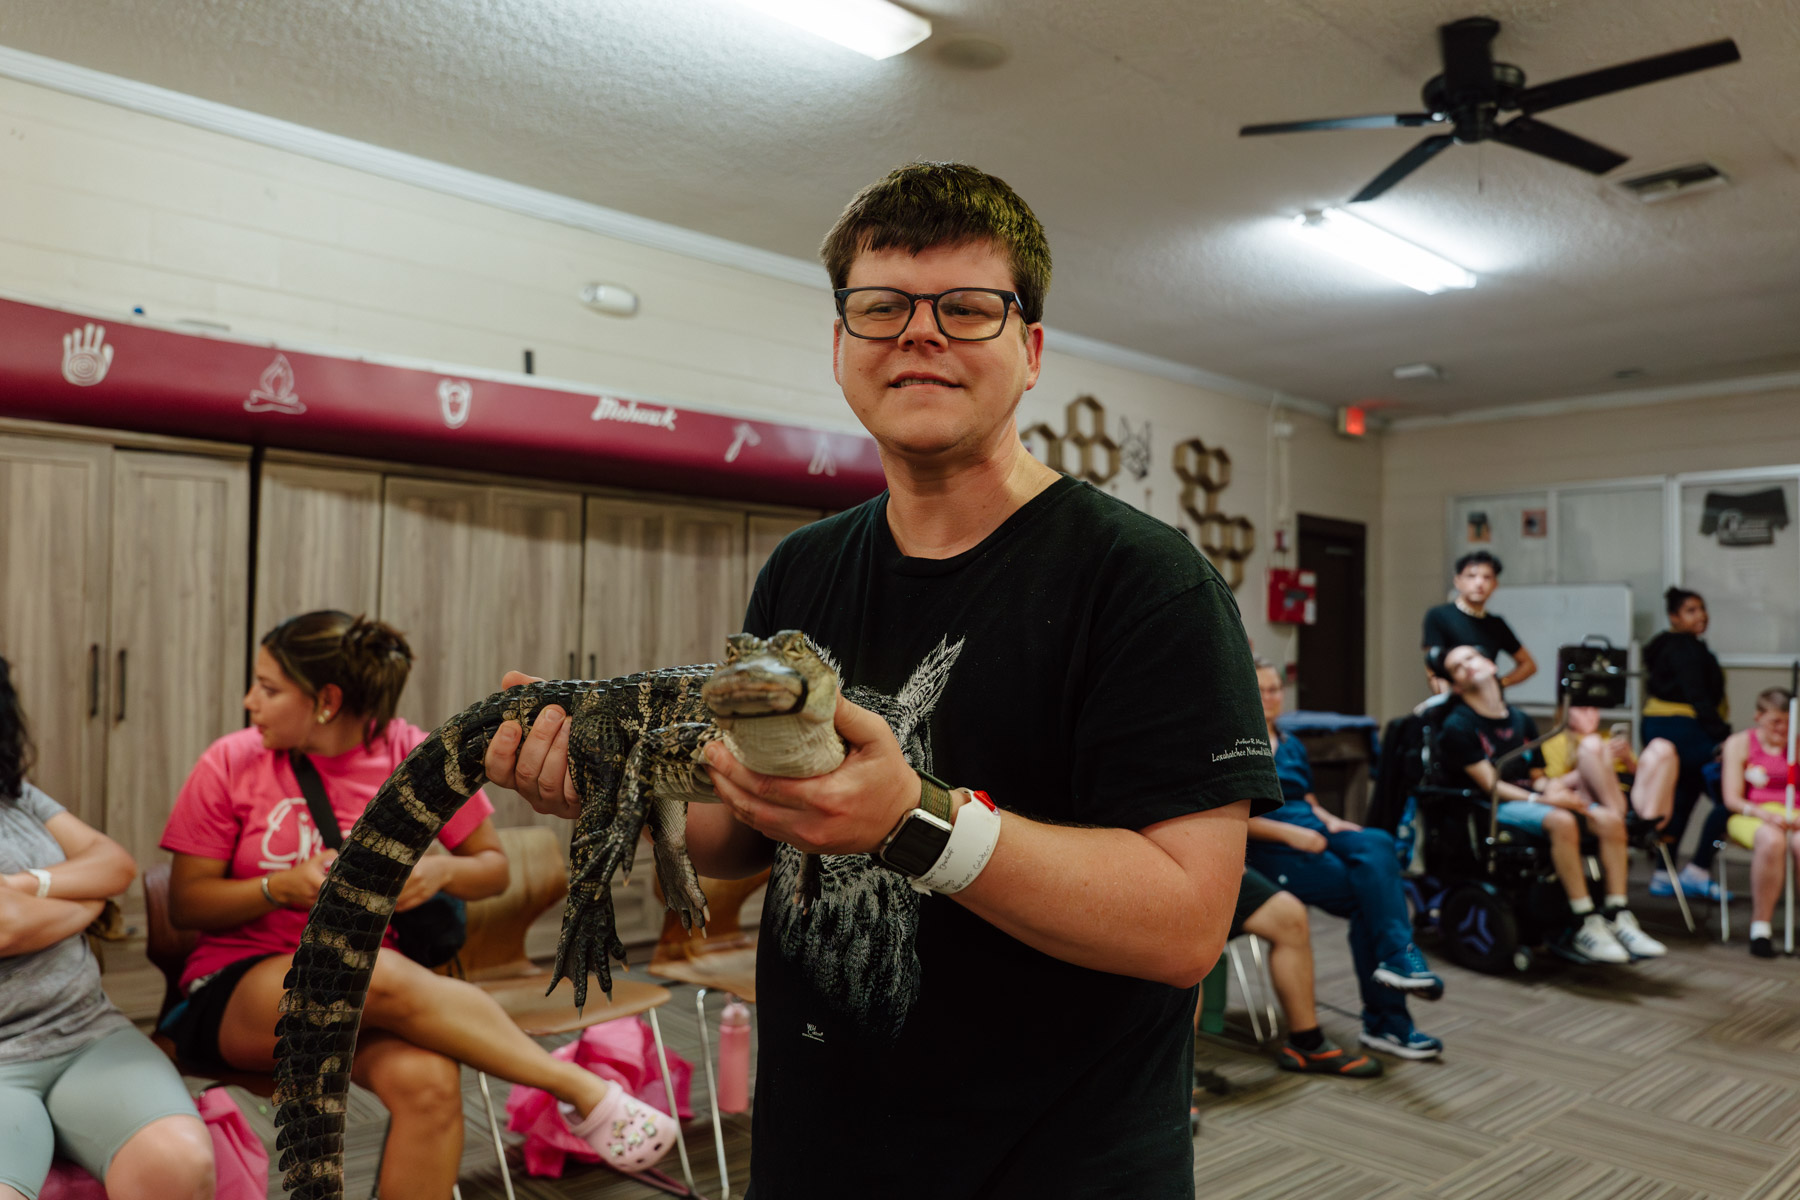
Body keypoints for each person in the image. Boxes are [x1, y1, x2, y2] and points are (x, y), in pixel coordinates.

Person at [486, 161, 1278, 1198]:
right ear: (841, 345)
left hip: (1052, 1161)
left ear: (1030, 351)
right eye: (882, 307)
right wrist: (621, 787)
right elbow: (743, 838)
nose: (920, 333)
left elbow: (1183, 928)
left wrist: (912, 819)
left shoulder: (1148, 583)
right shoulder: (803, 569)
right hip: (820, 1140)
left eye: (966, 307)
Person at [160, 612, 669, 1200]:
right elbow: (186, 903)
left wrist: (437, 872)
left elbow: (492, 870)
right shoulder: (230, 761)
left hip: (376, 992)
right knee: (364, 970)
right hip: (238, 986)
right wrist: (280, 887)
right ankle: (581, 1090)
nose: (251, 701)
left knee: (428, 1082)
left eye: (269, 688)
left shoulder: (407, 749)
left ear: (326, 700)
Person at [0, 656, 215, 1200]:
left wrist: (27, 886)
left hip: (87, 1031)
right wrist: (89, 901)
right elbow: (4, 928)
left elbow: (114, 863)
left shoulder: (16, 793)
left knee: (180, 1160)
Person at [1246, 659, 1447, 1061]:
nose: (1270, 697)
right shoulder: (1235, 742)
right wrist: (1293, 834)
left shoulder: (1291, 742)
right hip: (1272, 848)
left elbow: (1307, 800)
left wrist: (1333, 823)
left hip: (1314, 832)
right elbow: (1230, 819)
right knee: (1371, 897)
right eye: (1261, 689)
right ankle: (1388, 1017)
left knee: (1375, 841)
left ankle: (1394, 967)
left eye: (1275, 689)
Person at [1434, 645, 1667, 964]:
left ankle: (1617, 913)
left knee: (1610, 821)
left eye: (1471, 658)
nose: (1467, 666)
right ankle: (1586, 921)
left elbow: (1537, 775)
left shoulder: (1521, 720)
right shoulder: (1457, 726)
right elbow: (1491, 785)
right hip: (1493, 808)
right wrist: (1543, 799)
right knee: (1562, 820)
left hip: (1534, 799)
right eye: (1458, 666)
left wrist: (1556, 790)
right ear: (1457, 685)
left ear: (1490, 664)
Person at [1210, 866, 1382, 1078]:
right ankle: (1172, 1082)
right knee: (1184, 946)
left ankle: (1307, 1044)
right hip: (1169, 868)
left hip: (1215, 864)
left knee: (1289, 916)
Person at [1642, 586, 1733, 900]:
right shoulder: (1683, 648)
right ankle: (1697, 870)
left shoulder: (1673, 646)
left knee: (1682, 798)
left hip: (1664, 727)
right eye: (1691, 610)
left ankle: (1662, 874)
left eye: (1702, 608)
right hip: (1684, 729)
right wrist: (1724, 737)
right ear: (1674, 617)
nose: (1701, 615)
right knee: (1732, 794)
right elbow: (1698, 696)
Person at [1717, 688, 1799, 958]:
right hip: (1751, 814)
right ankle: (1760, 926)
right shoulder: (1739, 743)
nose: (1783, 728)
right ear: (1758, 716)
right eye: (1776, 721)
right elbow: (1731, 798)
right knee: (1772, 840)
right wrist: (1766, 815)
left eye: (1789, 721)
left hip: (1793, 815)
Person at [1537, 706, 1678, 830]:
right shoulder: (1555, 742)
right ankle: (1617, 818)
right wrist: (1597, 762)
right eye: (1583, 709)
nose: (1590, 715)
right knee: (1592, 745)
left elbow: (1640, 776)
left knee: (1662, 747)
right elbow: (1554, 784)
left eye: (1595, 709)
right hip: (1597, 799)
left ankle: (1648, 823)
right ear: (1565, 711)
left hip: (1631, 794)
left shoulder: (1608, 736)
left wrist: (1627, 759)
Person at [1422, 551, 1536, 694]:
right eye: (1471, 576)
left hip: (1488, 701)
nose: (1479, 583)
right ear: (1458, 581)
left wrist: (1499, 683)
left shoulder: (1496, 624)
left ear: (1495, 584)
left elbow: (1528, 664)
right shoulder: (1439, 616)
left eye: (1487, 577)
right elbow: (1433, 667)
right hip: (1455, 699)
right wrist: (1446, 700)